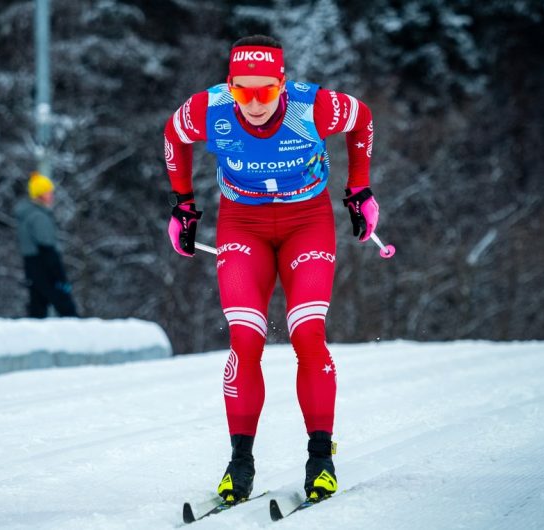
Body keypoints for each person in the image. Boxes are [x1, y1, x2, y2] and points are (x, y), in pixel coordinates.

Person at [163, 35, 380, 505]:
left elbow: (362, 120)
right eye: (244, 91)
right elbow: (172, 135)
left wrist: (359, 189)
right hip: (243, 225)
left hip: (308, 223)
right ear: (230, 86)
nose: (255, 103)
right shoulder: (210, 109)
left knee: (307, 333)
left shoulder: (313, 107)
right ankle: (240, 464)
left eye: (266, 91)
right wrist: (183, 206)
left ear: (282, 84)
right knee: (245, 338)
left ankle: (320, 458)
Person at [15, 172, 78, 318]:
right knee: (66, 308)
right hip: (44, 266)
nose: (51, 195)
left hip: (31, 266)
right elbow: (47, 246)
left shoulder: (25, 214)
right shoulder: (39, 216)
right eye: (48, 192)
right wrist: (60, 276)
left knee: (37, 308)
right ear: (39, 195)